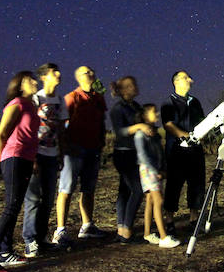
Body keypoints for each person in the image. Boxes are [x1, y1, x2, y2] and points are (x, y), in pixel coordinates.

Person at [0, 71, 41, 272]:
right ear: (20, 85)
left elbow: (30, 136)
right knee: (11, 207)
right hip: (13, 158)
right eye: (30, 79)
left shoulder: (31, 105)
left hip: (24, 159)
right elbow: (1, 134)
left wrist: (33, 160)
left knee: (15, 206)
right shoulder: (17, 103)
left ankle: (5, 252)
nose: (35, 81)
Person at [53, 66, 109, 245]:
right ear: (78, 77)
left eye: (92, 71)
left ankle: (87, 226)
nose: (91, 74)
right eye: (86, 72)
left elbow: (101, 121)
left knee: (88, 189)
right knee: (66, 189)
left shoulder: (99, 98)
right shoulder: (72, 98)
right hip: (74, 150)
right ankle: (60, 230)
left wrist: (101, 141)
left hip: (93, 149)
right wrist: (64, 148)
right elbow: (61, 125)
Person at [21, 62, 66, 257]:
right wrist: (31, 156)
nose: (58, 74)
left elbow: (62, 128)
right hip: (37, 153)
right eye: (53, 72)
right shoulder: (35, 98)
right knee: (33, 200)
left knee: (48, 199)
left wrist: (61, 152)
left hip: (52, 153)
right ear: (44, 77)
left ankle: (41, 238)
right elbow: (29, 128)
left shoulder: (60, 100)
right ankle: (29, 240)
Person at [160, 70, 206, 235]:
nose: (190, 80)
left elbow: (202, 121)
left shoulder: (195, 102)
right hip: (176, 151)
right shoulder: (169, 103)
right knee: (174, 185)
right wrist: (187, 136)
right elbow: (168, 125)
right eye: (186, 78)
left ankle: (194, 219)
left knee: (197, 185)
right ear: (176, 82)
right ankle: (170, 221)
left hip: (195, 151)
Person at [109, 75, 153, 243]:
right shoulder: (117, 109)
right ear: (125, 89)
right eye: (132, 85)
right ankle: (127, 230)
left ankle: (122, 229)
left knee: (124, 191)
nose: (136, 87)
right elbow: (119, 131)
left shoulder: (135, 106)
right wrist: (140, 126)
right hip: (123, 153)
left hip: (133, 153)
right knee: (137, 189)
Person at [135, 103, 180, 248]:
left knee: (150, 201)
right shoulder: (140, 134)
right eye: (154, 112)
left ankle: (147, 233)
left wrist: (163, 168)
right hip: (149, 170)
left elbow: (159, 153)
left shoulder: (155, 133)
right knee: (158, 200)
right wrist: (156, 171)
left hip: (156, 170)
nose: (157, 115)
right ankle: (163, 236)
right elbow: (143, 156)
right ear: (144, 115)